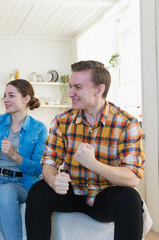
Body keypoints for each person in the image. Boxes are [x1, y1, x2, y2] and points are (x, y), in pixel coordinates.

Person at [25, 60, 145, 240]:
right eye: (70, 86)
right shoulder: (62, 120)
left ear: (99, 89)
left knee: (130, 199)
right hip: (72, 191)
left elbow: (132, 177)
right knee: (38, 191)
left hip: (105, 195)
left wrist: (94, 164)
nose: (70, 93)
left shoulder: (126, 123)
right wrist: (53, 179)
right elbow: (49, 163)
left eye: (78, 87)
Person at [0, 79, 48, 240]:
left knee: (6, 192)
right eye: (5, 95)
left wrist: (15, 156)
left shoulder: (39, 128)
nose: (6, 100)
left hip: (21, 182)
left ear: (26, 98)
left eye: (11, 95)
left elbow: (38, 169)